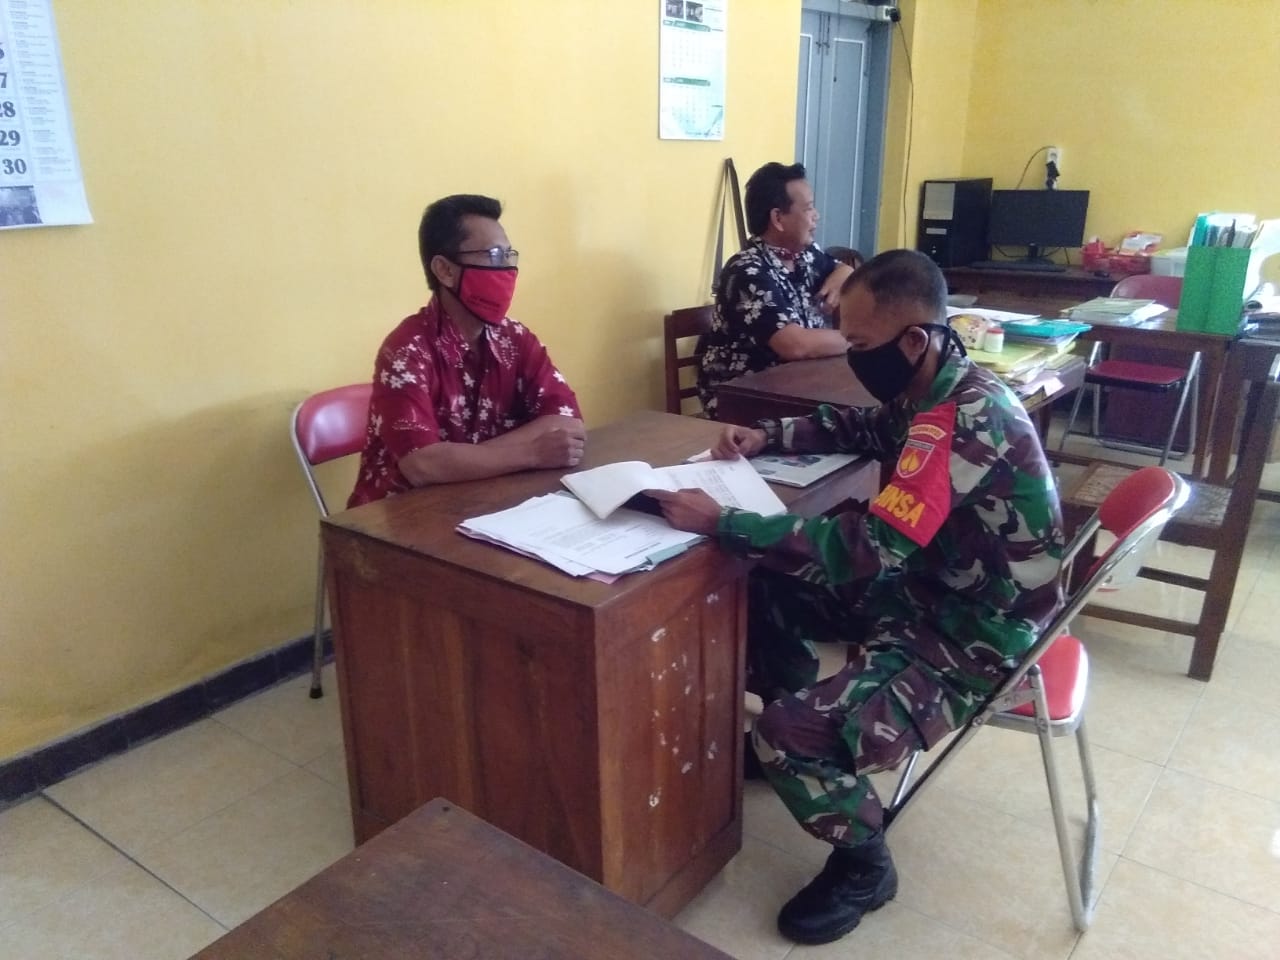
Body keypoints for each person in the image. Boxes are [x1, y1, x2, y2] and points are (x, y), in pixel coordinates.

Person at [648, 249, 1064, 946]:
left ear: (913, 340)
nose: (852, 356)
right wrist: (769, 435)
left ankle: (864, 863)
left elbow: (866, 549)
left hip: (975, 636)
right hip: (932, 590)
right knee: (766, 587)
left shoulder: (962, 421)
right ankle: (800, 722)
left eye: (860, 343)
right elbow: (866, 428)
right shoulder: (935, 385)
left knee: (784, 729)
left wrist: (722, 521)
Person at [348, 194, 584, 508]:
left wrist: (465, 460)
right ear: (444, 270)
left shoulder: (515, 337)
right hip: (402, 516)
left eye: (509, 255)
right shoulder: (407, 350)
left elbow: (568, 425)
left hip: (486, 501)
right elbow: (422, 465)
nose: (507, 269)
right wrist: (531, 452)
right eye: (494, 256)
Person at [697, 162, 854, 418]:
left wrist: (844, 273)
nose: (816, 215)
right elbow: (795, 345)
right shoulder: (747, 271)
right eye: (808, 208)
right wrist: (858, 340)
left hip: (801, 385)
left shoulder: (804, 255)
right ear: (778, 218)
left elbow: (845, 270)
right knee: (845, 421)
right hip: (746, 397)